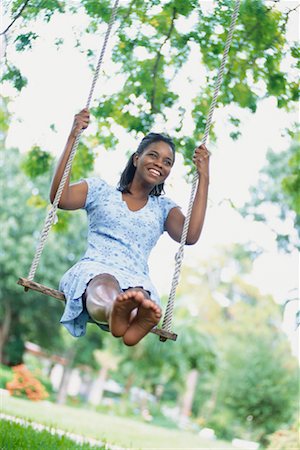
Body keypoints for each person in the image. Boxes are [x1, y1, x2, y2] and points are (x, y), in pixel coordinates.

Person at [50, 108, 210, 346]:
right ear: (137, 158)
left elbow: (191, 234)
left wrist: (204, 177)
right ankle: (116, 311)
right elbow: (60, 197)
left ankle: (134, 320)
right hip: (97, 268)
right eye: (153, 155)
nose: (159, 164)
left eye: (167, 162)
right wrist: (73, 136)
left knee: (140, 297)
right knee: (104, 287)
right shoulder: (100, 191)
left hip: (136, 277)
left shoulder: (163, 209)